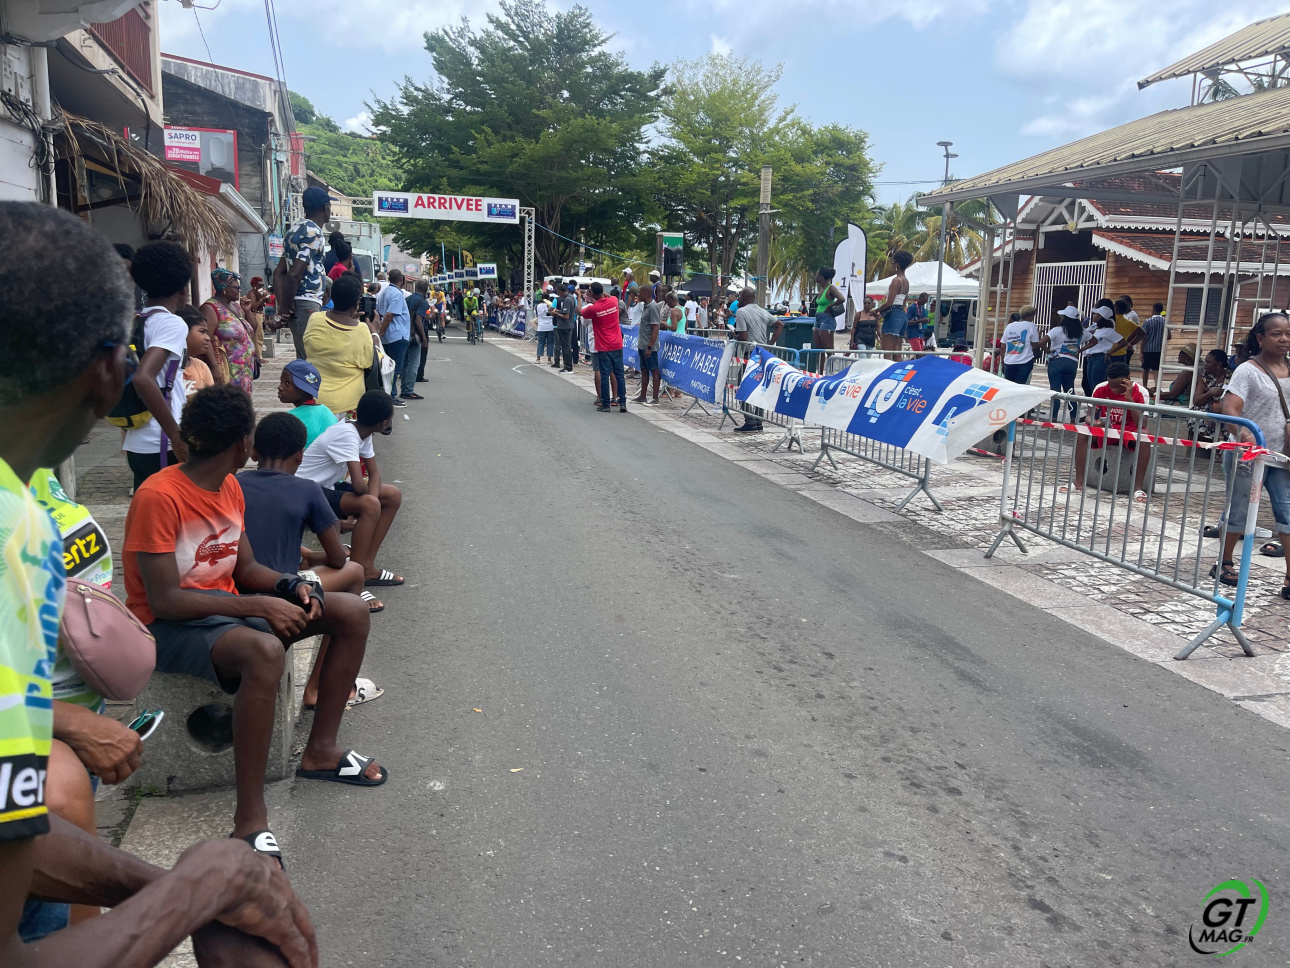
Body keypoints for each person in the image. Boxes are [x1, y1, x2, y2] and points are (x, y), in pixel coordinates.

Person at [3, 200, 321, 968]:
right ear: (111, 370)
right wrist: (200, 886)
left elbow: (17, 833)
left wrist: (186, 889)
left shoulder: (30, 502)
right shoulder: (19, 531)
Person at [124, 384, 386, 860]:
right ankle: (250, 819)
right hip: (166, 629)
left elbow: (245, 568)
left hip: (220, 613)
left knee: (349, 611)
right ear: (241, 443)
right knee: (263, 651)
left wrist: (291, 585)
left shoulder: (229, 487)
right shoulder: (159, 496)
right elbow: (165, 601)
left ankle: (321, 751)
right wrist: (258, 607)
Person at [239, 413, 386, 707]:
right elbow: (337, 559)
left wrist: (305, 555)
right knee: (354, 571)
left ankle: (320, 686)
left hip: (236, 590)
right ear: (300, 455)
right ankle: (316, 688)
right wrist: (319, 554)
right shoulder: (307, 489)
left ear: (253, 452)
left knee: (312, 561)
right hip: (279, 594)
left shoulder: (234, 484)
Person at [296, 389, 404, 587]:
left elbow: (374, 474)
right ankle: (353, 577)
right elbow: (358, 484)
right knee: (370, 505)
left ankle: (366, 568)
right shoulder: (346, 434)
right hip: (305, 491)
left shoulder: (363, 432)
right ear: (384, 423)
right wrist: (370, 504)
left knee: (392, 495)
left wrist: (372, 501)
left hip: (324, 487)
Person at [123, 241, 192, 491]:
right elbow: (143, 377)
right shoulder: (172, 323)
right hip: (162, 442)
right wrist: (176, 435)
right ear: (183, 287)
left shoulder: (135, 320)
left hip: (137, 441)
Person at [1064, 361, 1151, 500]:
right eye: (1111, 386)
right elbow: (1089, 416)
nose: (1114, 390)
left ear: (1128, 379)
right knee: (1083, 433)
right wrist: (1095, 423)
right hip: (1107, 428)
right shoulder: (1101, 388)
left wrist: (1129, 399)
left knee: (1145, 436)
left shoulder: (1141, 392)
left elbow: (1142, 423)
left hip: (1129, 430)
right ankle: (1079, 481)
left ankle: (1138, 488)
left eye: (1118, 386)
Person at [303, 273, 378, 417]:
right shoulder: (361, 330)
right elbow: (369, 362)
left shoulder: (315, 319)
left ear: (331, 296)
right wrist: (374, 333)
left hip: (315, 401)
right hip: (348, 407)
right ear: (356, 303)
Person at [276, 185, 331, 360]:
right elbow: (294, 273)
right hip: (307, 302)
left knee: (304, 357)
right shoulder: (314, 233)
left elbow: (279, 272)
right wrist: (283, 310)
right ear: (325, 207)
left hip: (299, 303)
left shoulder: (293, 231)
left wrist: (283, 303)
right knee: (312, 360)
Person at [202, 268, 257, 394]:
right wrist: (215, 367)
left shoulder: (236, 306)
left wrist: (247, 311)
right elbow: (206, 339)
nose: (239, 290)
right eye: (236, 288)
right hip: (228, 370)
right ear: (224, 288)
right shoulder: (211, 308)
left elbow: (252, 329)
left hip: (244, 371)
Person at [732, 288, 775, 433]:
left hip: (750, 354)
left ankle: (750, 421)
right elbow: (779, 324)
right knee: (759, 387)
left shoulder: (741, 312)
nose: (738, 299)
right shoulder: (763, 311)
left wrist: (735, 335)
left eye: (739, 296)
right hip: (763, 353)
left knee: (742, 386)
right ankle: (758, 420)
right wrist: (770, 344)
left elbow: (743, 337)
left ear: (743, 297)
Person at [581, 281, 627, 412]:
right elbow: (609, 296)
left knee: (605, 374)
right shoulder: (613, 301)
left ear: (592, 294)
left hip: (603, 346)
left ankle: (605, 404)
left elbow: (579, 311)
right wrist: (598, 293)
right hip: (617, 343)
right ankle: (622, 403)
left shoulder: (593, 308)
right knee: (619, 374)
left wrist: (579, 296)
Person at [277, 360, 336, 447]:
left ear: (303, 388)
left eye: (287, 383)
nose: (280, 387)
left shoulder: (288, 420)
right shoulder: (326, 412)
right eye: (281, 381)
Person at [375, 269, 411, 407]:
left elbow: (380, 313)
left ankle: (389, 394)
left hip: (389, 336)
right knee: (395, 368)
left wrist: (382, 332)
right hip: (397, 334)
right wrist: (382, 331)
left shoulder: (384, 292)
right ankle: (391, 396)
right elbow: (389, 315)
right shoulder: (397, 294)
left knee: (388, 367)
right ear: (401, 279)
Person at [1043, 306, 1083, 420]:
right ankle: (1073, 418)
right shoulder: (1081, 331)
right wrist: (1080, 350)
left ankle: (1054, 418)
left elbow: (1042, 342)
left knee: (1055, 391)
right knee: (1070, 391)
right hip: (1072, 363)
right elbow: (1093, 340)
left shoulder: (1057, 330)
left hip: (1057, 361)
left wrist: (1049, 352)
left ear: (1065, 318)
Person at [875, 251, 912, 357]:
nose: (892, 265)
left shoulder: (896, 280)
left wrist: (876, 311)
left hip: (893, 314)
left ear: (897, 264)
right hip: (901, 315)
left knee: (887, 352)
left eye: (893, 263)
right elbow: (903, 303)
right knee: (897, 353)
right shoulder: (906, 281)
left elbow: (889, 303)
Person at [1080, 303, 1119, 395]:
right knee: (1090, 385)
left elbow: (1123, 342)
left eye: (1096, 314)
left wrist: (1110, 352)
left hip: (1100, 358)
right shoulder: (1095, 328)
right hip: (1090, 358)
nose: (1093, 315)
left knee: (1097, 385)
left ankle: (1099, 403)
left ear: (1101, 317)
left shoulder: (1108, 331)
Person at [633, 286, 663, 406]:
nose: (637, 295)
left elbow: (655, 328)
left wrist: (650, 347)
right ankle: (643, 396)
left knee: (654, 370)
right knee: (644, 370)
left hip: (649, 346)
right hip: (642, 344)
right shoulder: (645, 306)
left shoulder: (653, 307)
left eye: (639, 293)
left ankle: (655, 398)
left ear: (645, 293)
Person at [179, 305, 216, 395]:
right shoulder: (166, 366)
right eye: (202, 332)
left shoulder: (201, 367)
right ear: (183, 331)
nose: (207, 338)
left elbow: (211, 400)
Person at [1000, 305, 1041, 385]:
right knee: (1020, 386)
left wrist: (1002, 363)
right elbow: (1035, 344)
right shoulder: (1031, 325)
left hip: (1009, 362)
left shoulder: (1009, 326)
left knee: (1009, 386)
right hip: (1025, 362)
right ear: (1030, 316)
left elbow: (1003, 346)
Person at [402, 279, 429, 400]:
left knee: (405, 362)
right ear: (426, 289)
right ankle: (408, 390)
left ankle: (404, 388)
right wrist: (424, 338)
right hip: (414, 335)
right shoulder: (423, 302)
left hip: (404, 332)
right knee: (414, 363)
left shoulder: (408, 298)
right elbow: (418, 320)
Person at [812, 267, 844, 352]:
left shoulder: (830, 288)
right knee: (819, 350)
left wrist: (830, 306)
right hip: (818, 319)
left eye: (817, 274)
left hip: (827, 319)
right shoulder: (821, 289)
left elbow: (841, 299)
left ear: (820, 276)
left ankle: (831, 361)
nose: (815, 276)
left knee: (828, 349)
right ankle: (821, 362)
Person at [1108, 297, 1143, 371]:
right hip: (1121, 352)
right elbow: (1142, 333)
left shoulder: (1110, 321)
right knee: (1120, 374)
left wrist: (1129, 343)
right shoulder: (1128, 322)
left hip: (1109, 352)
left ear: (1116, 309)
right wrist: (1129, 343)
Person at [1139, 302, 1167, 390]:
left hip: (1147, 349)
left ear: (1154, 309)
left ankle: (1144, 387)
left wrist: (1141, 352)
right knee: (1156, 370)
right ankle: (1158, 388)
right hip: (1159, 349)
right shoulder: (1165, 321)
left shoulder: (1148, 321)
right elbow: (1169, 336)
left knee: (1146, 369)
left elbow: (1143, 337)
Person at [554, 281, 578, 371]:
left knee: (566, 347)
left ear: (560, 291)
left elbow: (566, 316)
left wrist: (556, 314)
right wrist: (559, 311)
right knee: (566, 346)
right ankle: (567, 366)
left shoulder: (567, 299)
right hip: (568, 325)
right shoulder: (571, 297)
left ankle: (567, 366)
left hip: (565, 326)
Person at [535, 293, 556, 364]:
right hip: (550, 325)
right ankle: (549, 359)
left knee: (541, 342)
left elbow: (537, 314)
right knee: (550, 343)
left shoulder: (538, 306)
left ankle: (538, 358)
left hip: (541, 325)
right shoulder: (551, 305)